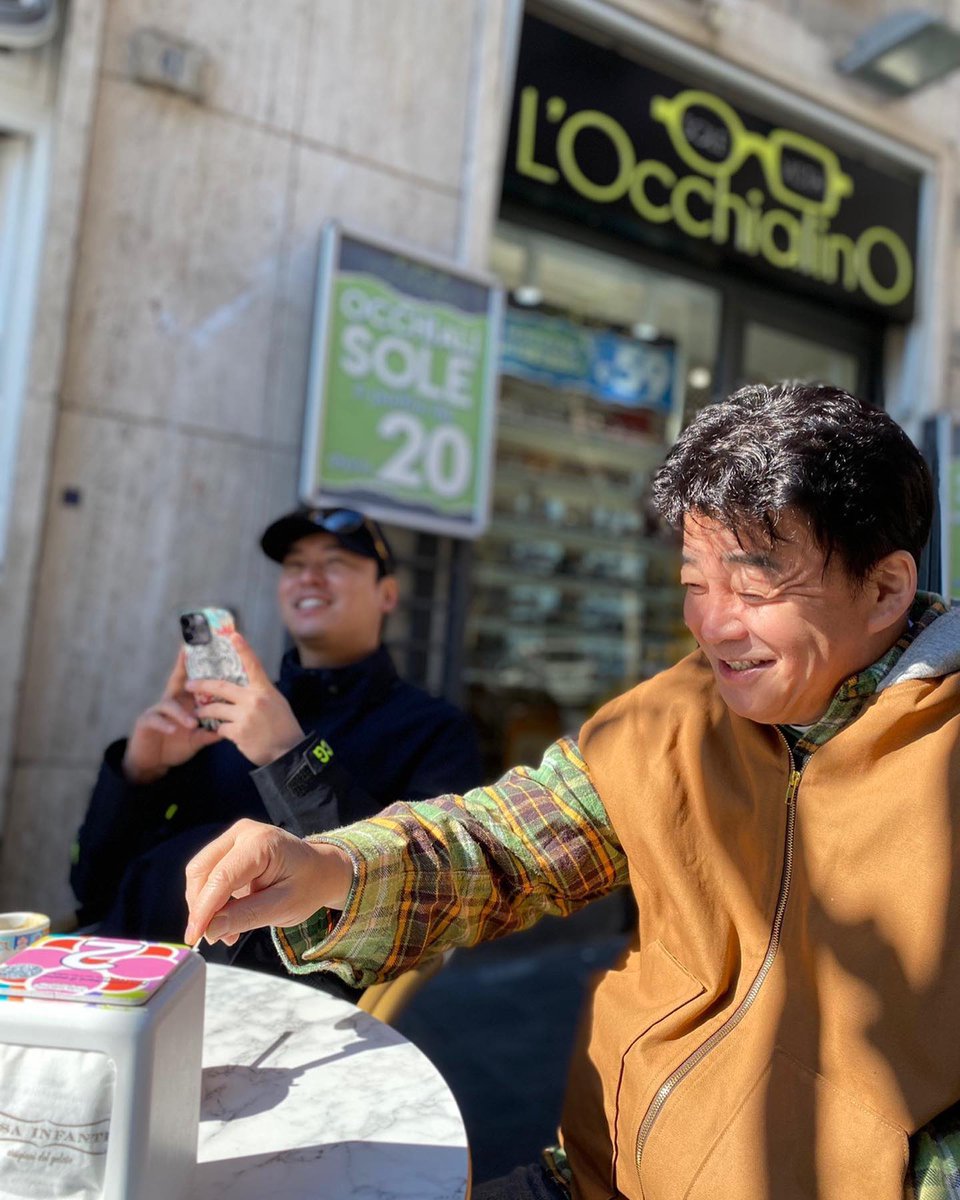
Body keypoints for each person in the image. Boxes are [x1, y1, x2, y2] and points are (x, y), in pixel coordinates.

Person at [183, 383, 960, 1200]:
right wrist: (329, 867)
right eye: (697, 584)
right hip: (591, 1179)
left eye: (756, 590)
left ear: (885, 589)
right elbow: (506, 842)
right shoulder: (673, 717)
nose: (714, 626)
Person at [70, 506, 483, 984]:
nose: (309, 577)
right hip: (124, 979)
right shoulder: (229, 710)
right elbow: (92, 888)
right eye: (294, 565)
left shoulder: (435, 730)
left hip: (278, 1016)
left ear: (386, 593)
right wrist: (138, 774)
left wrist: (290, 756)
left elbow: (431, 897)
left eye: (335, 563)